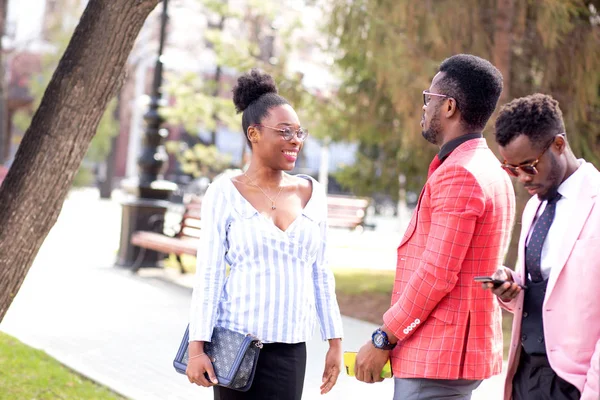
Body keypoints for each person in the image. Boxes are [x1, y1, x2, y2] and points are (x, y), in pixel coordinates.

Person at [354, 54, 516, 400]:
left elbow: (436, 273)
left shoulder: (461, 174)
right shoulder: (491, 169)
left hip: (435, 357)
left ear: (449, 107)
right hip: (454, 356)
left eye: (430, 99)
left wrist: (384, 336)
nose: (424, 108)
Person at [185, 69, 344, 400]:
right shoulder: (224, 192)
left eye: (299, 132)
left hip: (290, 351)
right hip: (234, 347)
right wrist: (196, 347)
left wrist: (335, 342)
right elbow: (209, 274)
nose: (295, 140)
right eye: (285, 131)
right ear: (254, 133)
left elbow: (321, 274)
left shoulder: (312, 193)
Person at [487, 93, 600, 400]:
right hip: (525, 375)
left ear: (559, 145)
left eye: (529, 166)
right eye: (511, 169)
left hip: (576, 384)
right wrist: (511, 290)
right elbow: (546, 293)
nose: (521, 178)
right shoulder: (534, 206)